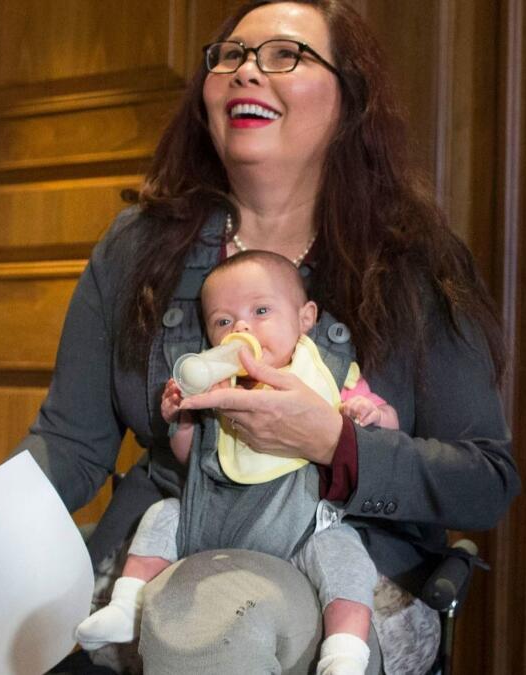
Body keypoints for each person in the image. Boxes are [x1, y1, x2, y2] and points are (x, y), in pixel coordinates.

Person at [0, 1, 521, 673]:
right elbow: (70, 444)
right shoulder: (138, 246)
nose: (245, 73)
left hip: (343, 583)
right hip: (158, 554)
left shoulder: (413, 262)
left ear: (349, 99)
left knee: (210, 627)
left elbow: (485, 481)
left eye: (284, 56)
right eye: (231, 55)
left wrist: (331, 441)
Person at [75, 251, 397, 675]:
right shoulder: (216, 384)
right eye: (223, 321)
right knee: (161, 515)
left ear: (305, 318)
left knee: (345, 554)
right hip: (211, 525)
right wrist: (183, 420)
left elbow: (384, 429)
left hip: (297, 532)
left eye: (261, 311)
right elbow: (195, 458)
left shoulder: (330, 374)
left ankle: (345, 653)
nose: (241, 327)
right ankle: (127, 602)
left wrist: (368, 418)